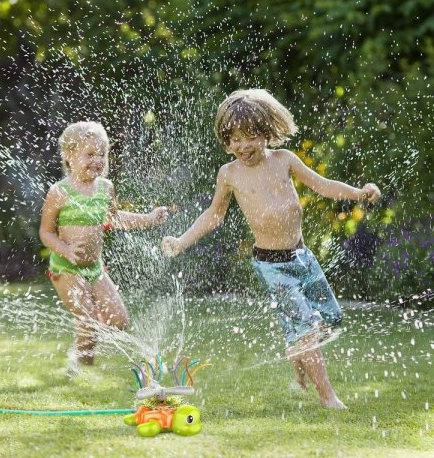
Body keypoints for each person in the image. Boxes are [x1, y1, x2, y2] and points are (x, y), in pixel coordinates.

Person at [162, 89, 381, 409]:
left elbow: (323, 185)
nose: (242, 146)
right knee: (307, 330)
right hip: (271, 265)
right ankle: (328, 397)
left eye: (249, 136)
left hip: (303, 257)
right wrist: (181, 241)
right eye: (233, 139)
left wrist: (359, 193)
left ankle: (298, 358)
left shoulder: (284, 160)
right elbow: (213, 215)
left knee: (329, 320)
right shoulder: (230, 174)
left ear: (265, 132)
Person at [39, 121, 168, 372]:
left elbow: (114, 219)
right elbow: (45, 232)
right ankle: (82, 369)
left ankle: (85, 335)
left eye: (102, 154)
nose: (97, 160)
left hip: (94, 268)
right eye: (89, 154)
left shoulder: (105, 188)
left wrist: (149, 218)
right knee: (86, 323)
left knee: (119, 320)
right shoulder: (60, 192)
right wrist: (64, 250)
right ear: (69, 156)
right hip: (66, 267)